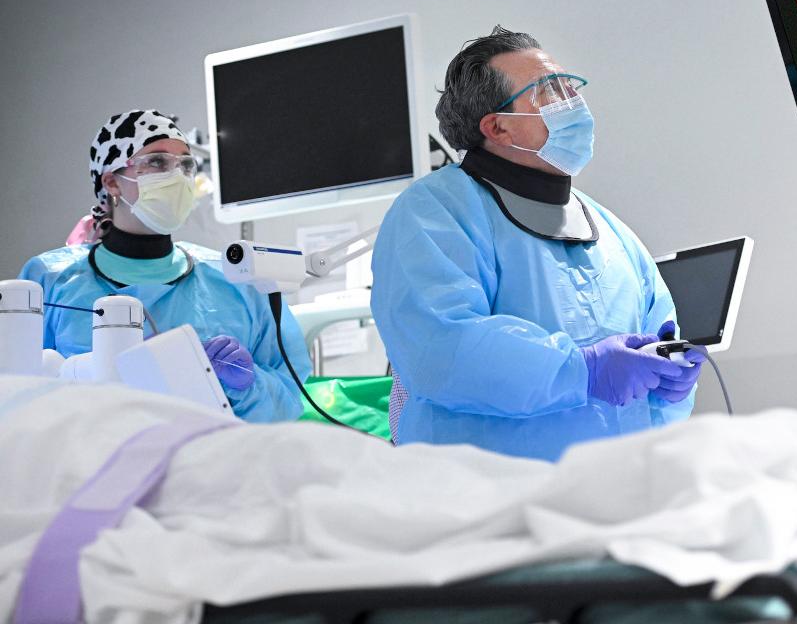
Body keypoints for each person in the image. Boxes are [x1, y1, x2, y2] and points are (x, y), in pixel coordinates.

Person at [371, 27, 703, 461]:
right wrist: (582, 371)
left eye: (571, 87)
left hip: (613, 490)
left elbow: (659, 337)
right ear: (497, 126)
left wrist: (672, 385)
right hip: (485, 502)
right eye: (550, 92)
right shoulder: (435, 212)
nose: (574, 103)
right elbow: (441, 348)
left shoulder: (611, 229)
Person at [20, 109, 311, 422]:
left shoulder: (235, 280)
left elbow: (290, 402)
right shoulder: (49, 280)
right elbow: (16, 396)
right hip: (89, 465)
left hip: (213, 462)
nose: (178, 176)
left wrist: (248, 383)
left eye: (186, 164)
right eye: (157, 162)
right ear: (112, 182)